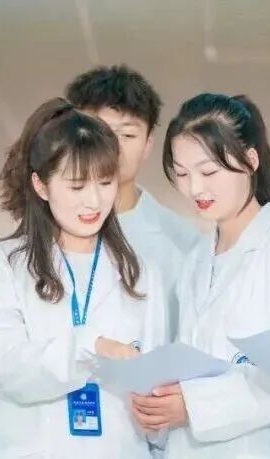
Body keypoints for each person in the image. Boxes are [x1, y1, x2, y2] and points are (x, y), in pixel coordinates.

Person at [0, 97, 169, 458]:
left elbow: (154, 390)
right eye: (77, 186)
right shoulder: (3, 264)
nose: (93, 201)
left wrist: (158, 412)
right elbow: (7, 368)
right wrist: (92, 347)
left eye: (105, 182)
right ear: (41, 186)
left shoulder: (139, 272)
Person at [130, 93, 270, 457]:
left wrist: (193, 405)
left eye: (208, 172)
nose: (195, 188)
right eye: (182, 173)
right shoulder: (196, 259)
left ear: (250, 161)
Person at [66, 65, 201, 340]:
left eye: (127, 135)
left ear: (148, 144)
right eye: (99, 130)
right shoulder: (42, 234)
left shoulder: (182, 243)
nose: (112, 146)